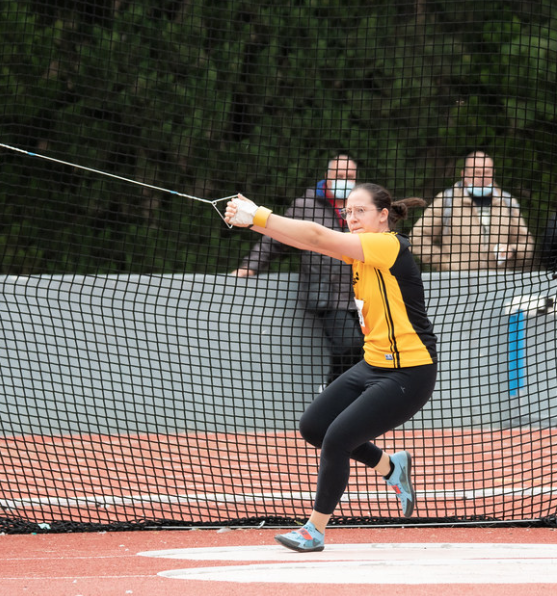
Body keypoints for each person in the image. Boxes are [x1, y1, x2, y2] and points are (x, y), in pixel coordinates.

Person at [224, 184, 437, 553]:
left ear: (383, 215)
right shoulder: (361, 250)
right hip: (373, 365)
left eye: (361, 212)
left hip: (409, 373)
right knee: (314, 427)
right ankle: (391, 466)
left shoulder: (386, 245)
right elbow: (312, 242)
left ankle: (315, 530)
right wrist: (254, 224)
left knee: (338, 438)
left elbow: (317, 233)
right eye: (349, 213)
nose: (352, 219)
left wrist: (259, 214)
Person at [231, 155, 364, 387]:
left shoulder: (363, 207)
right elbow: (274, 240)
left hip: (363, 293)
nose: (345, 181)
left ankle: (350, 402)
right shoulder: (306, 206)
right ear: (327, 177)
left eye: (350, 177)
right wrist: (249, 267)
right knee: (348, 344)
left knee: (367, 353)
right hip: (327, 294)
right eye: (340, 176)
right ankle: (331, 394)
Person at [410, 151, 535, 271]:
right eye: (476, 172)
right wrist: (446, 263)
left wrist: (512, 250)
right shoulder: (447, 200)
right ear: (464, 174)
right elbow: (416, 237)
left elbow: (527, 244)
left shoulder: (507, 203)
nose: (482, 177)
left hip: (498, 284)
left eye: (487, 172)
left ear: (494, 173)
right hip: (457, 284)